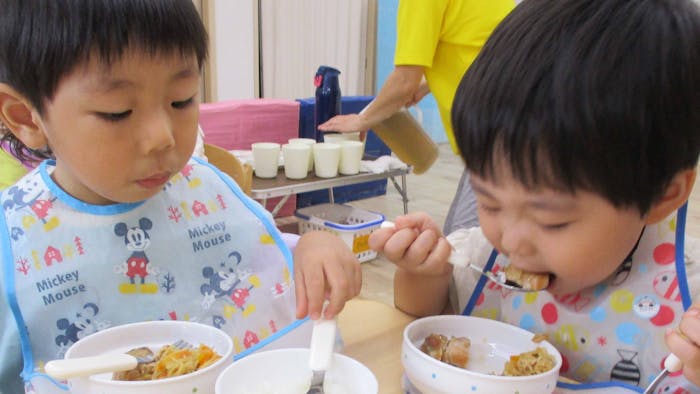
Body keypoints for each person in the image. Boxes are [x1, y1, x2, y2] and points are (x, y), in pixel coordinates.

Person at [0, 1, 361, 393]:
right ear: (25, 117)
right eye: (117, 112)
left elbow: (261, 258)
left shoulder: (205, 191)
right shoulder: (14, 246)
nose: (163, 137)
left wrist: (310, 246)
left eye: (182, 100)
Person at [370, 0, 700, 391]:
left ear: (662, 193)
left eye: (551, 221)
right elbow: (418, 321)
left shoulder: (687, 300)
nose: (509, 240)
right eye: (488, 200)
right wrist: (423, 272)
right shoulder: (481, 257)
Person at [319, 0, 514, 234]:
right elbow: (475, 45)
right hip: (519, 124)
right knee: (462, 239)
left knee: (465, 250)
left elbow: (404, 80)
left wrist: (361, 119)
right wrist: (426, 84)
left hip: (502, 136)